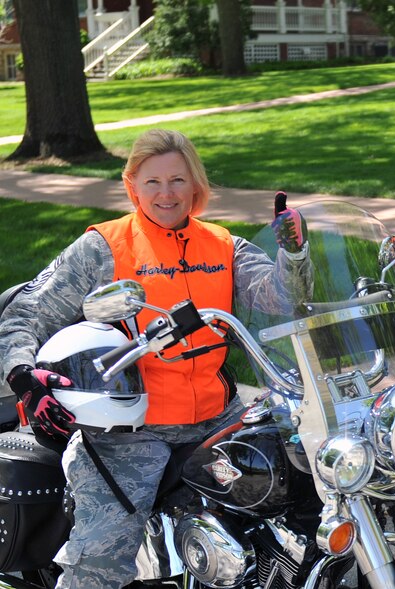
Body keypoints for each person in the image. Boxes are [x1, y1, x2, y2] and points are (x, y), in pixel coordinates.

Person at [0, 128, 313, 589]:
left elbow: (283, 300)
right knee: (102, 557)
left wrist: (294, 253)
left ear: (195, 185)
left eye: (178, 180)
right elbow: (26, 313)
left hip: (218, 416)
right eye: (153, 182)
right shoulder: (104, 247)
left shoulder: (224, 245)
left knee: (301, 496)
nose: (167, 193)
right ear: (132, 186)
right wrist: (23, 377)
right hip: (132, 429)